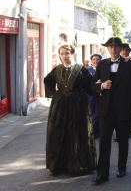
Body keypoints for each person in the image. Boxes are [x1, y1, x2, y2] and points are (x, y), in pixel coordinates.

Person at [92, 37, 131, 185]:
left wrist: (128, 103)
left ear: (120, 48)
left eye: (116, 47)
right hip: (106, 110)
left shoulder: (130, 65)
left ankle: (122, 167)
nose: (113, 49)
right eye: (110, 47)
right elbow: (92, 85)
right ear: (107, 49)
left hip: (123, 111)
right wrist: (101, 87)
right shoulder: (102, 64)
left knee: (123, 140)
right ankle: (102, 173)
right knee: (104, 142)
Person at [44, 43, 97, 176]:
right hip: (60, 107)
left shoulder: (81, 69)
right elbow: (48, 81)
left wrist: (99, 89)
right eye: (61, 54)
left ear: (72, 54)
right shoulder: (56, 70)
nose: (64, 56)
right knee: (58, 132)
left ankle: (78, 164)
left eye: (67, 53)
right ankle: (58, 164)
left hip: (77, 105)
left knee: (77, 133)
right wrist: (55, 94)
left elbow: (89, 85)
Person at [87, 53, 102, 138]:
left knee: (100, 113)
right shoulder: (87, 70)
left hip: (101, 95)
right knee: (92, 113)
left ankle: (99, 130)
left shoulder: (104, 69)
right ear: (91, 61)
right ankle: (92, 131)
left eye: (97, 59)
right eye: (94, 59)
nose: (95, 61)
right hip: (91, 96)